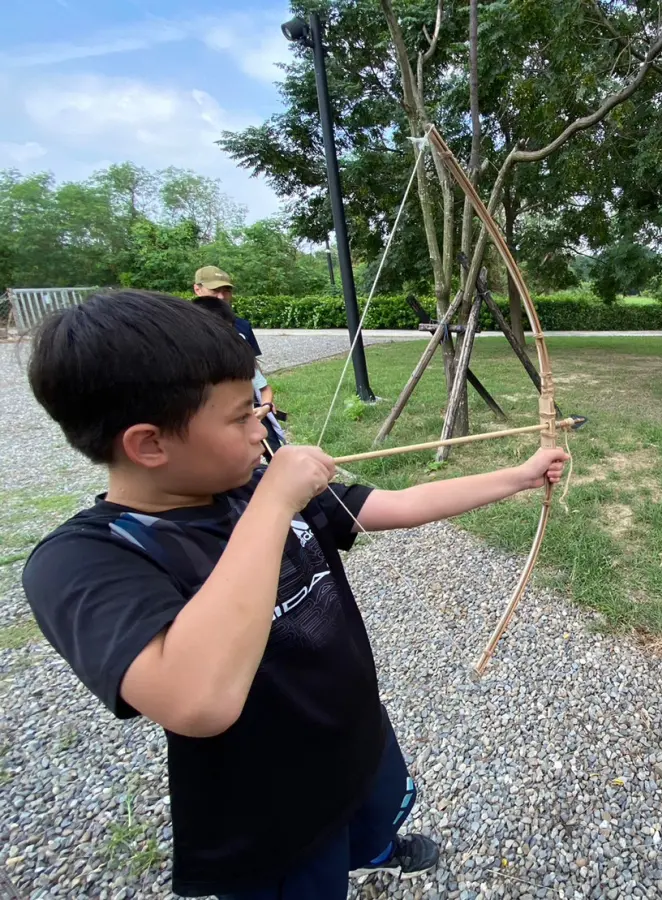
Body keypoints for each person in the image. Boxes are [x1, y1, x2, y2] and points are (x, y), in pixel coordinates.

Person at [21, 290, 568, 900]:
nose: (264, 426)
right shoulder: (84, 561)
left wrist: (519, 475)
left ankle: (378, 846)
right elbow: (199, 699)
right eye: (240, 417)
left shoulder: (245, 483)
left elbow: (394, 507)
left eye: (258, 408)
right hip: (272, 812)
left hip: (352, 733)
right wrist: (274, 501)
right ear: (149, 444)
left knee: (371, 812)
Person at [192, 295, 287, 454]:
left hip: (254, 416)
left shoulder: (239, 362)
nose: (229, 341)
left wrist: (265, 407)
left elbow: (264, 388)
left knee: (274, 453)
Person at [194, 265, 261, 356]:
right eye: (214, 290)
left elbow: (254, 365)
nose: (221, 296)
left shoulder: (243, 326)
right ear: (197, 289)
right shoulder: (182, 325)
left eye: (226, 291)